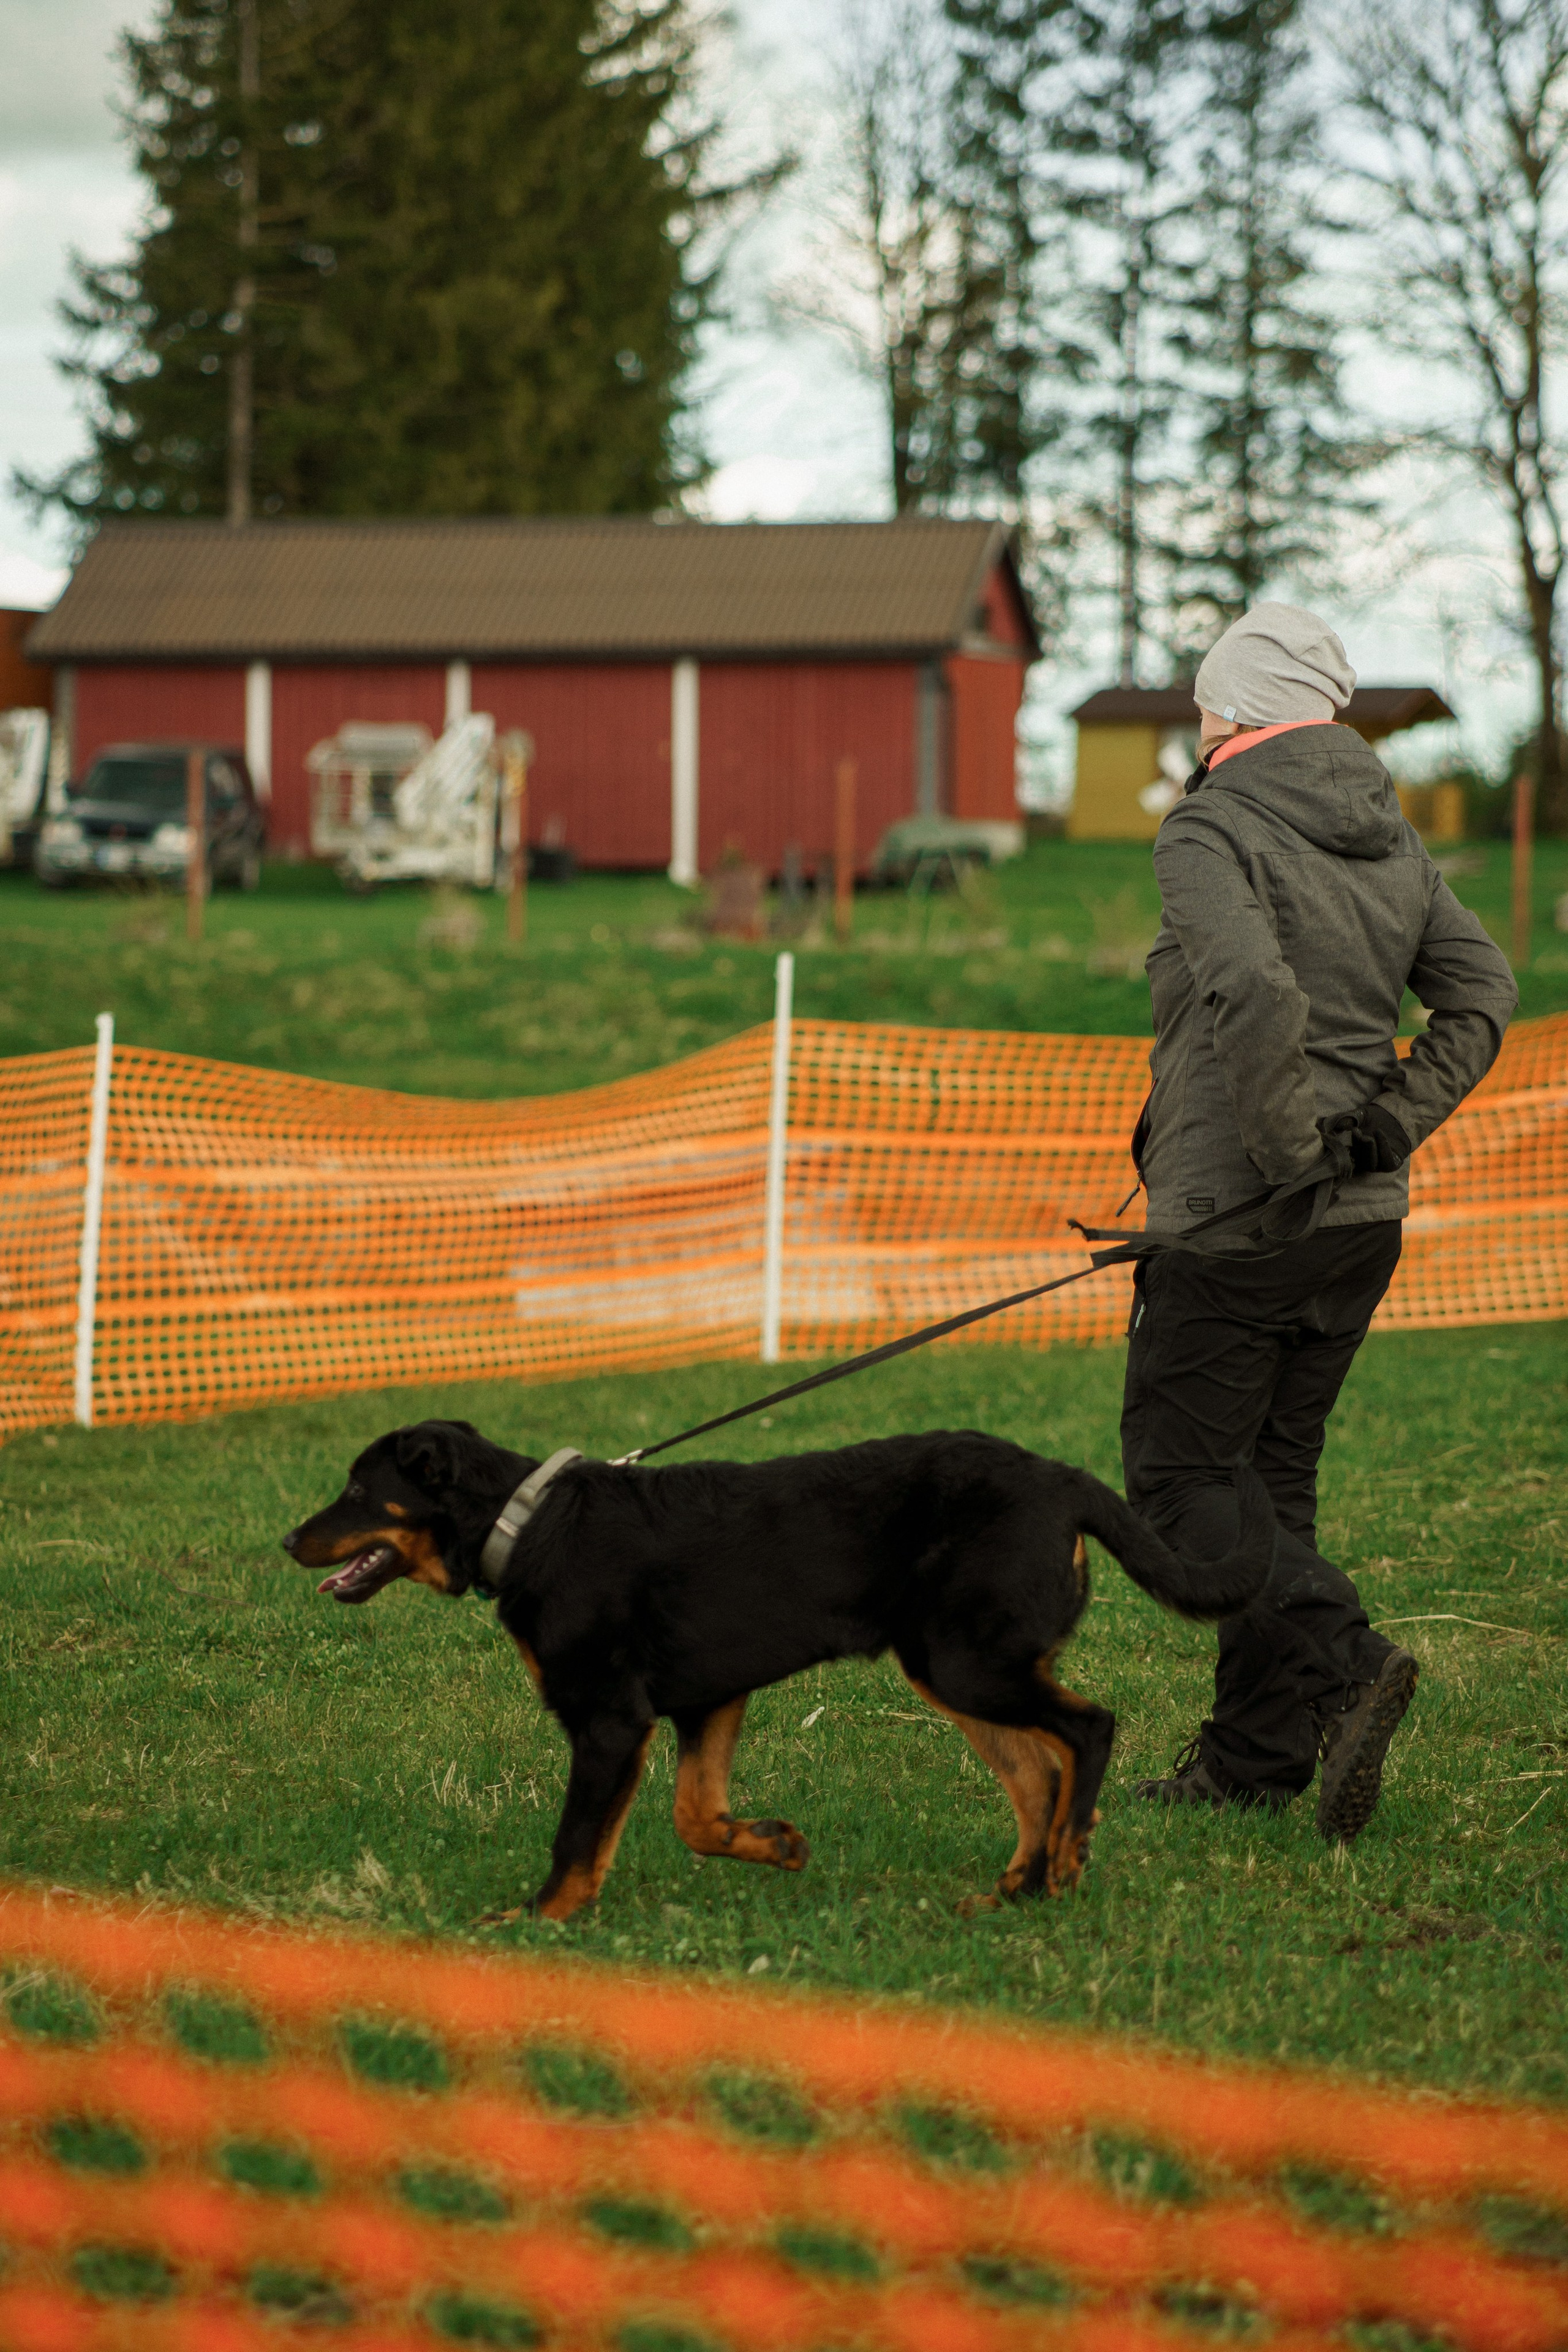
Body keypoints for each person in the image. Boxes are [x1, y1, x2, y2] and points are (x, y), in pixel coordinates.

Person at [1123, 603, 1517, 1841]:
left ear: (1234, 709)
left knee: (1180, 1486)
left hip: (1242, 1218)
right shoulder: (1384, 831)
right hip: (1356, 1223)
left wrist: (1293, 1149)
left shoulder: (1208, 823)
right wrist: (1386, 1126)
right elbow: (1482, 993)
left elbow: (1247, 984)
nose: (1195, 716)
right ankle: (1255, 1752)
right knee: (1269, 1495)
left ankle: (1346, 1667)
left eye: (1204, 697)